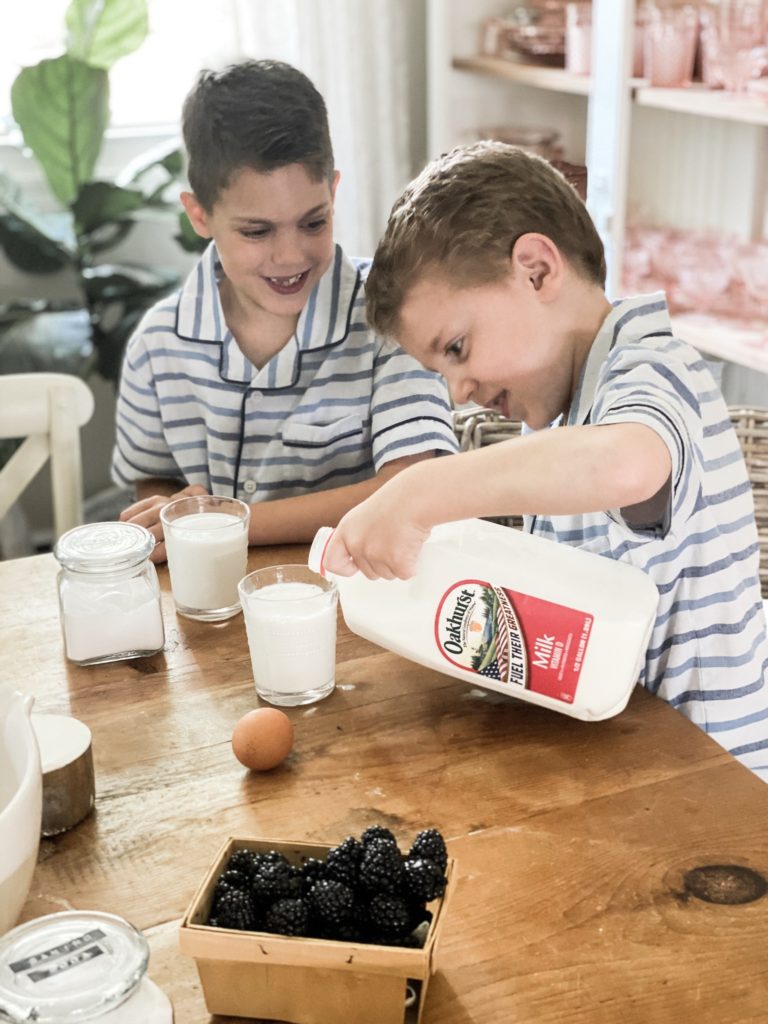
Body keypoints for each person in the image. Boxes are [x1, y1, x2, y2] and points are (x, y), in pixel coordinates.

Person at [323, 140, 768, 781]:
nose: (458, 391)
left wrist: (418, 492)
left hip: (713, 791)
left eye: (457, 347)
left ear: (536, 271)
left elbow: (625, 465)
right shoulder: (571, 414)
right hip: (632, 769)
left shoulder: (652, 370)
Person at [111, 59, 457, 562]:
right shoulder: (157, 345)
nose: (290, 256)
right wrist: (170, 512)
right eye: (257, 231)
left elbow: (412, 485)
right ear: (199, 215)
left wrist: (227, 522)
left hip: (358, 607)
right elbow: (154, 480)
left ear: (334, 192)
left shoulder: (393, 317)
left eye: (313, 222)